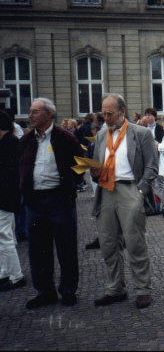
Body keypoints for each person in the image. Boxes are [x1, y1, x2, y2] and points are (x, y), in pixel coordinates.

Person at [91, 93, 157, 309]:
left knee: (134, 241)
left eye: (110, 113)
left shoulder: (141, 133)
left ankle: (143, 290)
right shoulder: (102, 135)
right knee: (108, 243)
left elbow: (151, 166)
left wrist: (141, 192)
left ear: (122, 111)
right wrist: (93, 171)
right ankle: (115, 288)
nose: (106, 117)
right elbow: (97, 163)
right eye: (104, 113)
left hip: (130, 189)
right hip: (106, 190)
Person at [19, 98, 83, 308]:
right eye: (30, 112)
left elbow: (80, 163)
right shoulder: (27, 139)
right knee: (38, 248)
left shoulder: (65, 137)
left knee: (66, 247)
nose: (30, 116)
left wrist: (71, 184)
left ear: (48, 115)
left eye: (34, 112)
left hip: (59, 199)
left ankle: (68, 290)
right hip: (34, 201)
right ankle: (45, 291)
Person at [0, 111, 26, 292]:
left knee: (5, 237)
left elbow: (11, 176)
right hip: (6, 197)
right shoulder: (7, 142)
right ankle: (5, 272)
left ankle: (16, 275)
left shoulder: (10, 144)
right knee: (4, 236)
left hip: (5, 198)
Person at [144, 107, 164, 214]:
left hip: (158, 157)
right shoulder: (143, 128)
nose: (148, 117)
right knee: (151, 182)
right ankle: (154, 205)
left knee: (160, 182)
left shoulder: (160, 128)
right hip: (147, 158)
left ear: (154, 116)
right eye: (146, 115)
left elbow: (163, 141)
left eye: (150, 115)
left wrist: (156, 143)